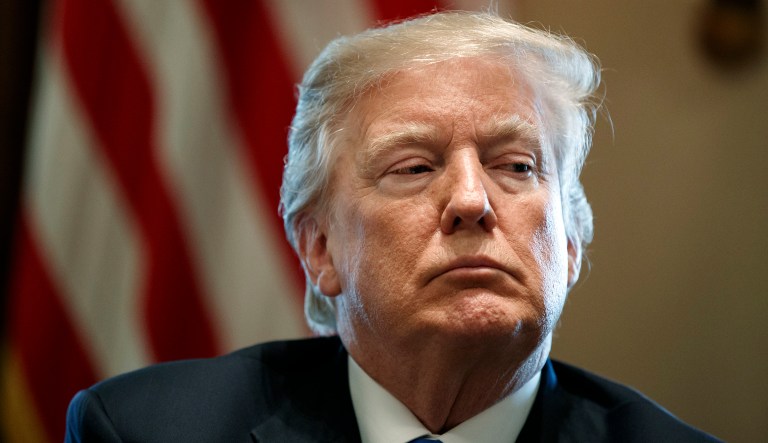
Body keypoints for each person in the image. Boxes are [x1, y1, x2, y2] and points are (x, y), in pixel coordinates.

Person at [65, 11, 719, 442]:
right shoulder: (144, 430)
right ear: (319, 247)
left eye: (517, 165)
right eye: (412, 167)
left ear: (570, 244)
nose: (471, 199)